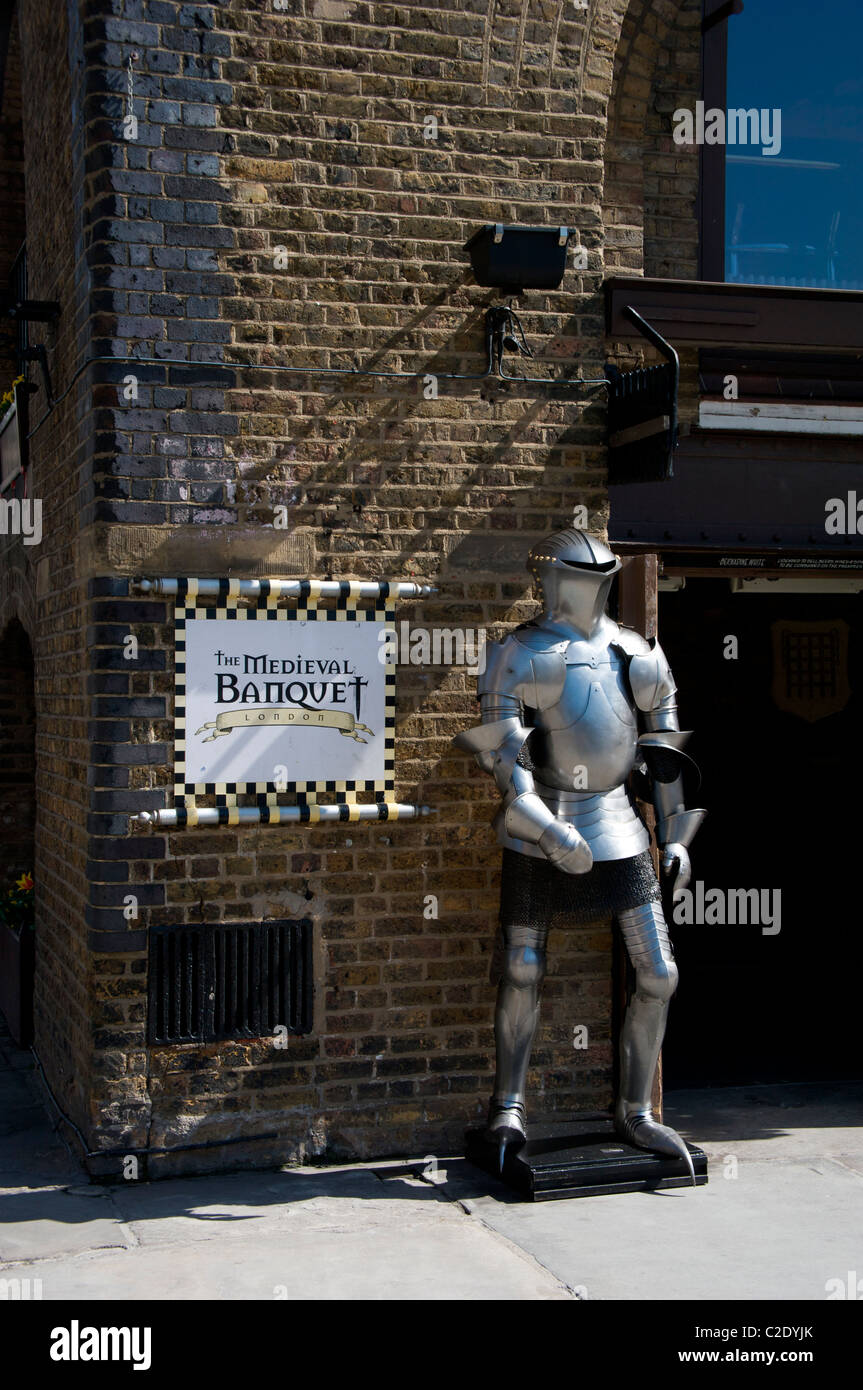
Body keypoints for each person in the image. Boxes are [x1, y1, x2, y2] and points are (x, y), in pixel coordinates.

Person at [455, 528, 705, 1175]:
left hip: (620, 824)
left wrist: (676, 838)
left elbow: (667, 755)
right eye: (576, 577)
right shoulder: (518, 653)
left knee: (658, 975)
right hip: (544, 824)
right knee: (521, 968)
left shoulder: (637, 653)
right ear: (550, 578)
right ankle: (507, 1106)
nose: (586, 590)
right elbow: (505, 771)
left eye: (597, 578)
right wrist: (548, 832)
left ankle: (635, 1110)